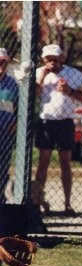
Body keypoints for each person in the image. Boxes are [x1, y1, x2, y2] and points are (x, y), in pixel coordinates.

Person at [35, 44, 82, 214]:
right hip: (46, 122)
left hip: (65, 122)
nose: (52, 63)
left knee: (66, 163)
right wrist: (41, 77)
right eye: (48, 60)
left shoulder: (73, 74)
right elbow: (33, 95)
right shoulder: (40, 73)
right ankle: (37, 201)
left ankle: (67, 203)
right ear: (44, 60)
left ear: (61, 59)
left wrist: (69, 91)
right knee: (43, 162)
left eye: (55, 60)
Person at [0, 48, 19, 204]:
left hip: (5, 131)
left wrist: (14, 124)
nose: (1, 66)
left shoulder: (12, 83)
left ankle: (1, 198)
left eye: (4, 62)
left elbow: (19, 107)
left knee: (3, 167)